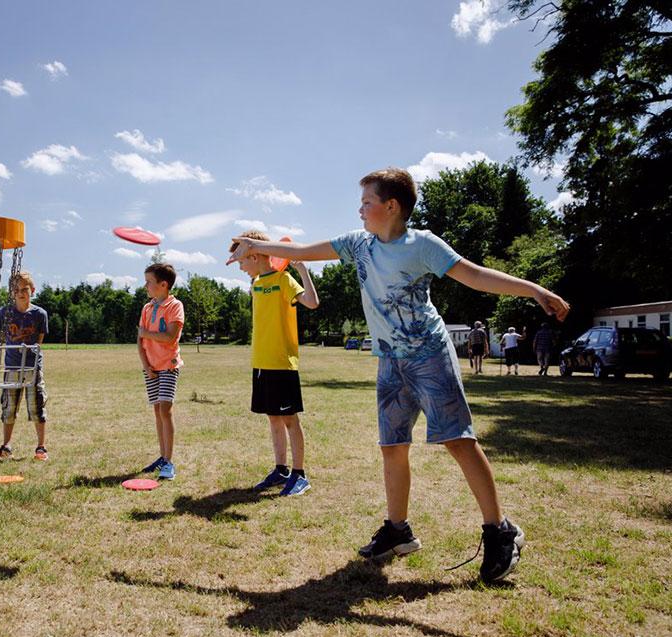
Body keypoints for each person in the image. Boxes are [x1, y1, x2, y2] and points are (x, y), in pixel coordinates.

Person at [227, 167, 570, 582]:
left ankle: (500, 530)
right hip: (390, 360)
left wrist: (534, 289)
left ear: (391, 206)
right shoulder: (359, 244)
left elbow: (475, 275)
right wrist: (253, 244)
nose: (359, 209)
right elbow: (300, 251)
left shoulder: (421, 245)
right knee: (392, 445)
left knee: (458, 439)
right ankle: (398, 530)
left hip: (429, 356)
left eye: (366, 202)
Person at [230, 230, 320, 496]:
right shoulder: (257, 284)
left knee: (290, 419)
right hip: (261, 362)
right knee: (273, 418)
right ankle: (280, 470)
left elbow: (312, 303)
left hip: (282, 363)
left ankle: (299, 474)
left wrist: (301, 269)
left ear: (255, 255)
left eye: (242, 261)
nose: (241, 267)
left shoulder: (284, 280)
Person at [0, 271, 50, 463]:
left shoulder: (40, 314)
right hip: (12, 367)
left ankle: (41, 447)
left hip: (32, 368)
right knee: (9, 407)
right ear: (12, 292)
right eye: (16, 290)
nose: (21, 293)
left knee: (37, 406)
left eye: (24, 289)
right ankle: (6, 446)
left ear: (32, 290)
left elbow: (39, 341)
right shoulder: (5, 313)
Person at [137, 263, 185, 480]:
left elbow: (170, 337)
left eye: (149, 282)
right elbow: (139, 339)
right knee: (157, 412)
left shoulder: (175, 306)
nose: (145, 285)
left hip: (168, 365)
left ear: (163, 284)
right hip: (151, 367)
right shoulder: (147, 308)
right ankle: (162, 456)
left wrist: (147, 332)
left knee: (166, 410)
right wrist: (146, 365)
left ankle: (169, 461)